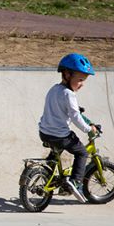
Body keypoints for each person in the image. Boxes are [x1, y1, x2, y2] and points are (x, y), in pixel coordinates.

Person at [38, 53, 98, 203]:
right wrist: (88, 129)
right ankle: (75, 182)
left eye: (83, 81)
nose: (82, 84)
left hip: (44, 132)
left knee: (56, 151)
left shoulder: (54, 89)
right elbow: (76, 117)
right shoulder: (69, 94)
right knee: (82, 153)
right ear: (67, 74)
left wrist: (83, 117)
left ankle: (49, 174)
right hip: (60, 135)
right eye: (80, 80)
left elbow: (71, 111)